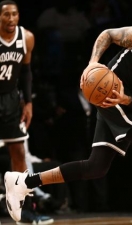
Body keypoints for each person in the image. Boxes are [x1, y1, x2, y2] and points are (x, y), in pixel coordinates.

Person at [4, 5, 132, 225]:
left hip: (126, 99)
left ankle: (24, 182)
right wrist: (93, 63)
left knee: (95, 167)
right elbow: (108, 35)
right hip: (106, 90)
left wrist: (127, 100)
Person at [0, 1, 54, 224]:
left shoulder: (27, 38)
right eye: (6, 15)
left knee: (19, 154)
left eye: (14, 14)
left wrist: (28, 103)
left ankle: (26, 210)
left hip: (12, 100)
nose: (11, 19)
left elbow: (27, 73)